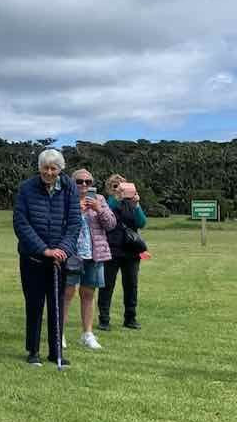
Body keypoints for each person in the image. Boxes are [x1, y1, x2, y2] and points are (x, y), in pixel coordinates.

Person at [12, 148, 81, 367]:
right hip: (33, 257)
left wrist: (63, 249)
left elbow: (74, 223)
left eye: (54, 169)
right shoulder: (26, 188)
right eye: (45, 168)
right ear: (39, 168)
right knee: (34, 304)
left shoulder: (69, 187)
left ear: (60, 170)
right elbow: (21, 224)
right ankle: (33, 351)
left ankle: (55, 351)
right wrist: (43, 250)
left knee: (56, 305)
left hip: (59, 258)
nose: (49, 173)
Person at [61, 169, 115, 350]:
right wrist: (77, 211)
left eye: (88, 181)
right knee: (67, 293)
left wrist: (99, 210)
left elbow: (111, 224)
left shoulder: (99, 200)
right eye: (79, 181)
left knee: (88, 294)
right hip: (71, 253)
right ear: (71, 182)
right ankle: (59, 333)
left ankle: (87, 333)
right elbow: (57, 224)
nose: (84, 185)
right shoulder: (65, 198)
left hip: (94, 254)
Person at [98, 173, 148, 331]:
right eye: (115, 186)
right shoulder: (107, 202)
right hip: (112, 249)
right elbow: (107, 216)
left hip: (131, 251)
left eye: (122, 186)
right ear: (109, 189)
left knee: (131, 285)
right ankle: (104, 319)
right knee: (107, 285)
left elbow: (141, 222)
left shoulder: (131, 204)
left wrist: (137, 205)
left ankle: (130, 318)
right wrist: (117, 197)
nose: (119, 189)